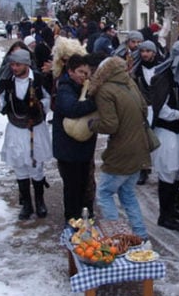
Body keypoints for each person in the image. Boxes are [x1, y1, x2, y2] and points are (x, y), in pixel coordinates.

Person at [87, 56, 152, 240]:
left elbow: (110, 125)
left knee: (105, 193)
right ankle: (140, 233)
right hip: (139, 147)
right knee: (128, 193)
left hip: (121, 151)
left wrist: (93, 124)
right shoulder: (130, 82)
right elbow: (144, 110)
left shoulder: (105, 90)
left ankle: (116, 237)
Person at [0, 49, 53, 220]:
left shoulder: (38, 80)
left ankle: (40, 201)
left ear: (26, 64)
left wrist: (39, 106)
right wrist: (0, 105)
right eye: (12, 64)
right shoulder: (8, 82)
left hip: (35, 129)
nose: (14, 68)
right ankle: (26, 204)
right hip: (16, 129)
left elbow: (49, 98)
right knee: (19, 165)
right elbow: (0, 100)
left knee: (36, 165)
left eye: (18, 64)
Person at [150, 40, 179, 232]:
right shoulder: (163, 77)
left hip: (178, 133)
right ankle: (164, 215)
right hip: (166, 133)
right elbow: (160, 108)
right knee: (167, 174)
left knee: (176, 174)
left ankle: (173, 209)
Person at [53, 54, 99, 223]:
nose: (83, 76)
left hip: (81, 150)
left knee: (83, 186)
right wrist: (94, 103)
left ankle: (84, 219)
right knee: (72, 188)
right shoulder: (65, 88)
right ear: (70, 71)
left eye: (86, 73)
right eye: (80, 72)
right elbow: (71, 108)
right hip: (68, 150)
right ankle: (72, 221)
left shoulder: (80, 86)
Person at [131, 40, 162, 185]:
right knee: (142, 139)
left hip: (159, 107)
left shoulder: (161, 67)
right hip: (143, 107)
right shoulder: (136, 71)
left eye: (148, 51)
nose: (144, 54)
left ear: (154, 53)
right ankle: (143, 169)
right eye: (142, 51)